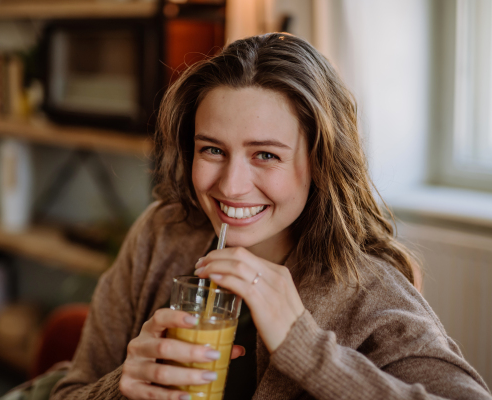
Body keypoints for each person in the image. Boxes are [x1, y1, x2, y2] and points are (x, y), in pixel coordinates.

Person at [50, 33, 491, 400]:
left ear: (319, 161)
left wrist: (301, 343)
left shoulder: (367, 292)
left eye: (265, 154)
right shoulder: (162, 233)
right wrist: (119, 388)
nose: (231, 185)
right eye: (213, 150)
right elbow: (70, 391)